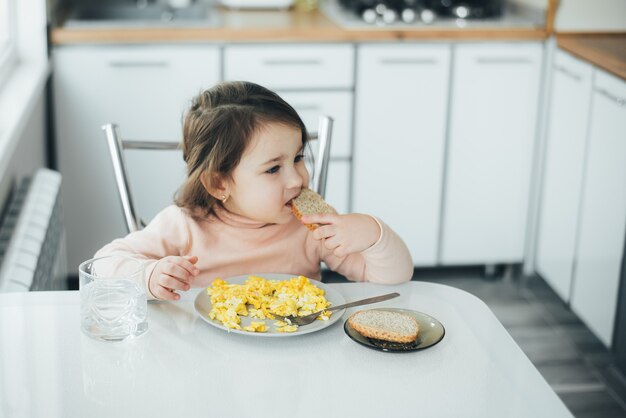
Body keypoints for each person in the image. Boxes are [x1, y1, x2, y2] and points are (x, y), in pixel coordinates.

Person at [95, 81, 413, 301]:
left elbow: (393, 279)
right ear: (219, 183)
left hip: (298, 362)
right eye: (273, 168)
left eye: (299, 157)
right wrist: (149, 276)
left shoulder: (313, 229)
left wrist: (374, 233)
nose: (297, 179)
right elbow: (103, 264)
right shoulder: (185, 224)